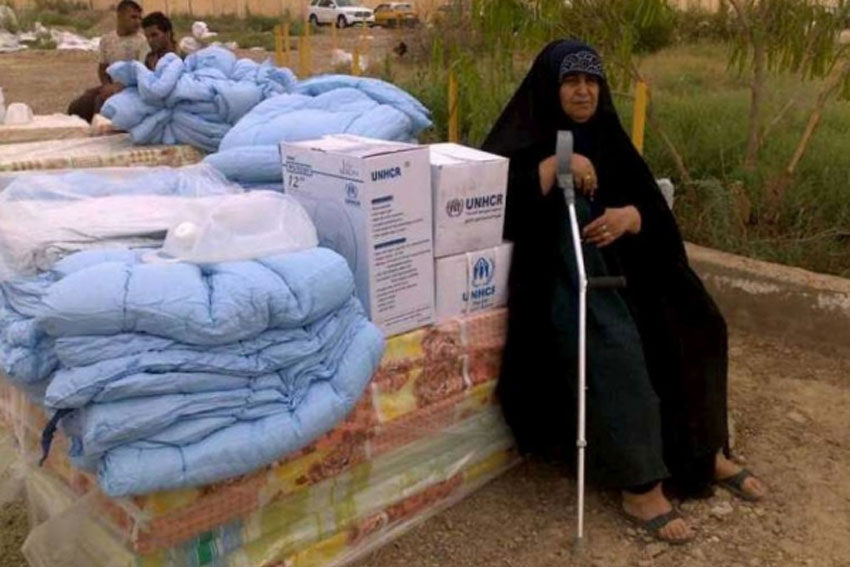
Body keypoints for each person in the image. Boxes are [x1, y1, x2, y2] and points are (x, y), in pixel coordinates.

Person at [481, 40, 767, 543]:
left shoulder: (608, 135)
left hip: (625, 261)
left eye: (592, 81)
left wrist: (630, 216)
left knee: (697, 319)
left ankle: (704, 452)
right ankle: (639, 484)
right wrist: (551, 167)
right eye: (572, 81)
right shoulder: (524, 135)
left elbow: (651, 209)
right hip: (561, 271)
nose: (584, 90)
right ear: (551, 85)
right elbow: (485, 205)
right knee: (614, 339)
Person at [67, 0, 146, 122]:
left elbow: (142, 74)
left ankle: (102, 135)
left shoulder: (142, 42)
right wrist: (106, 85)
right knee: (78, 106)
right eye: (133, 17)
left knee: (101, 103)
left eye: (140, 18)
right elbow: (103, 68)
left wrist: (117, 88)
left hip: (131, 88)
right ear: (120, 16)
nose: (138, 22)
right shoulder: (107, 40)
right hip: (110, 86)